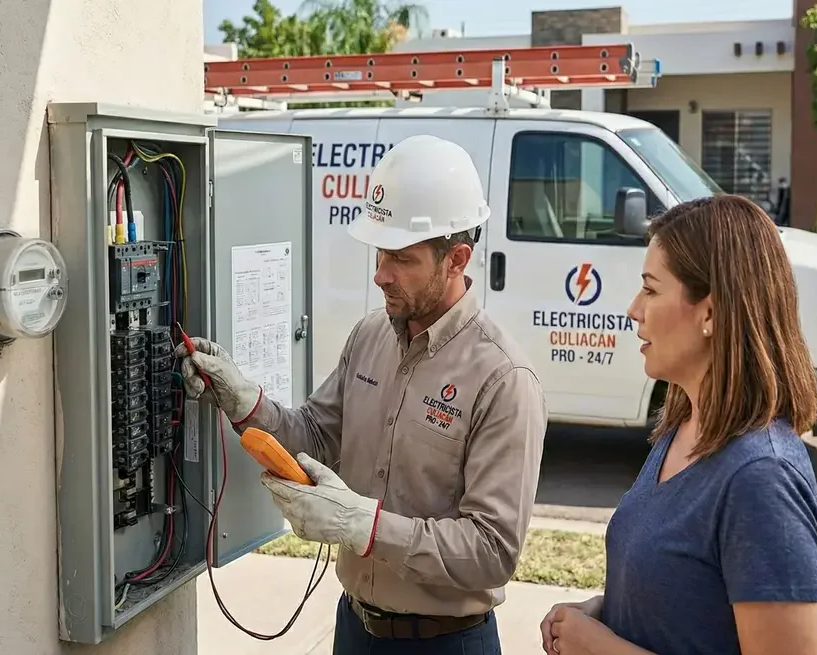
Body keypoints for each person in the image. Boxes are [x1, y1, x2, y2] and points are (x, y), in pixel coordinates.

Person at [176, 135, 547, 654]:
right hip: (354, 631)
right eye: (378, 252)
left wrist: (366, 526)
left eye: (400, 257)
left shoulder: (503, 379)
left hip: (445, 644)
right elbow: (313, 437)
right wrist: (243, 399)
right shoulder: (370, 336)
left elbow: (492, 551)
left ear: (456, 258)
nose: (380, 274)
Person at [539, 194, 817, 655]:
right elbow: (689, 603)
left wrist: (601, 648)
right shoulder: (684, 428)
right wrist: (603, 611)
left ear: (709, 313)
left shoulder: (762, 480)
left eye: (651, 289)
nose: (633, 309)